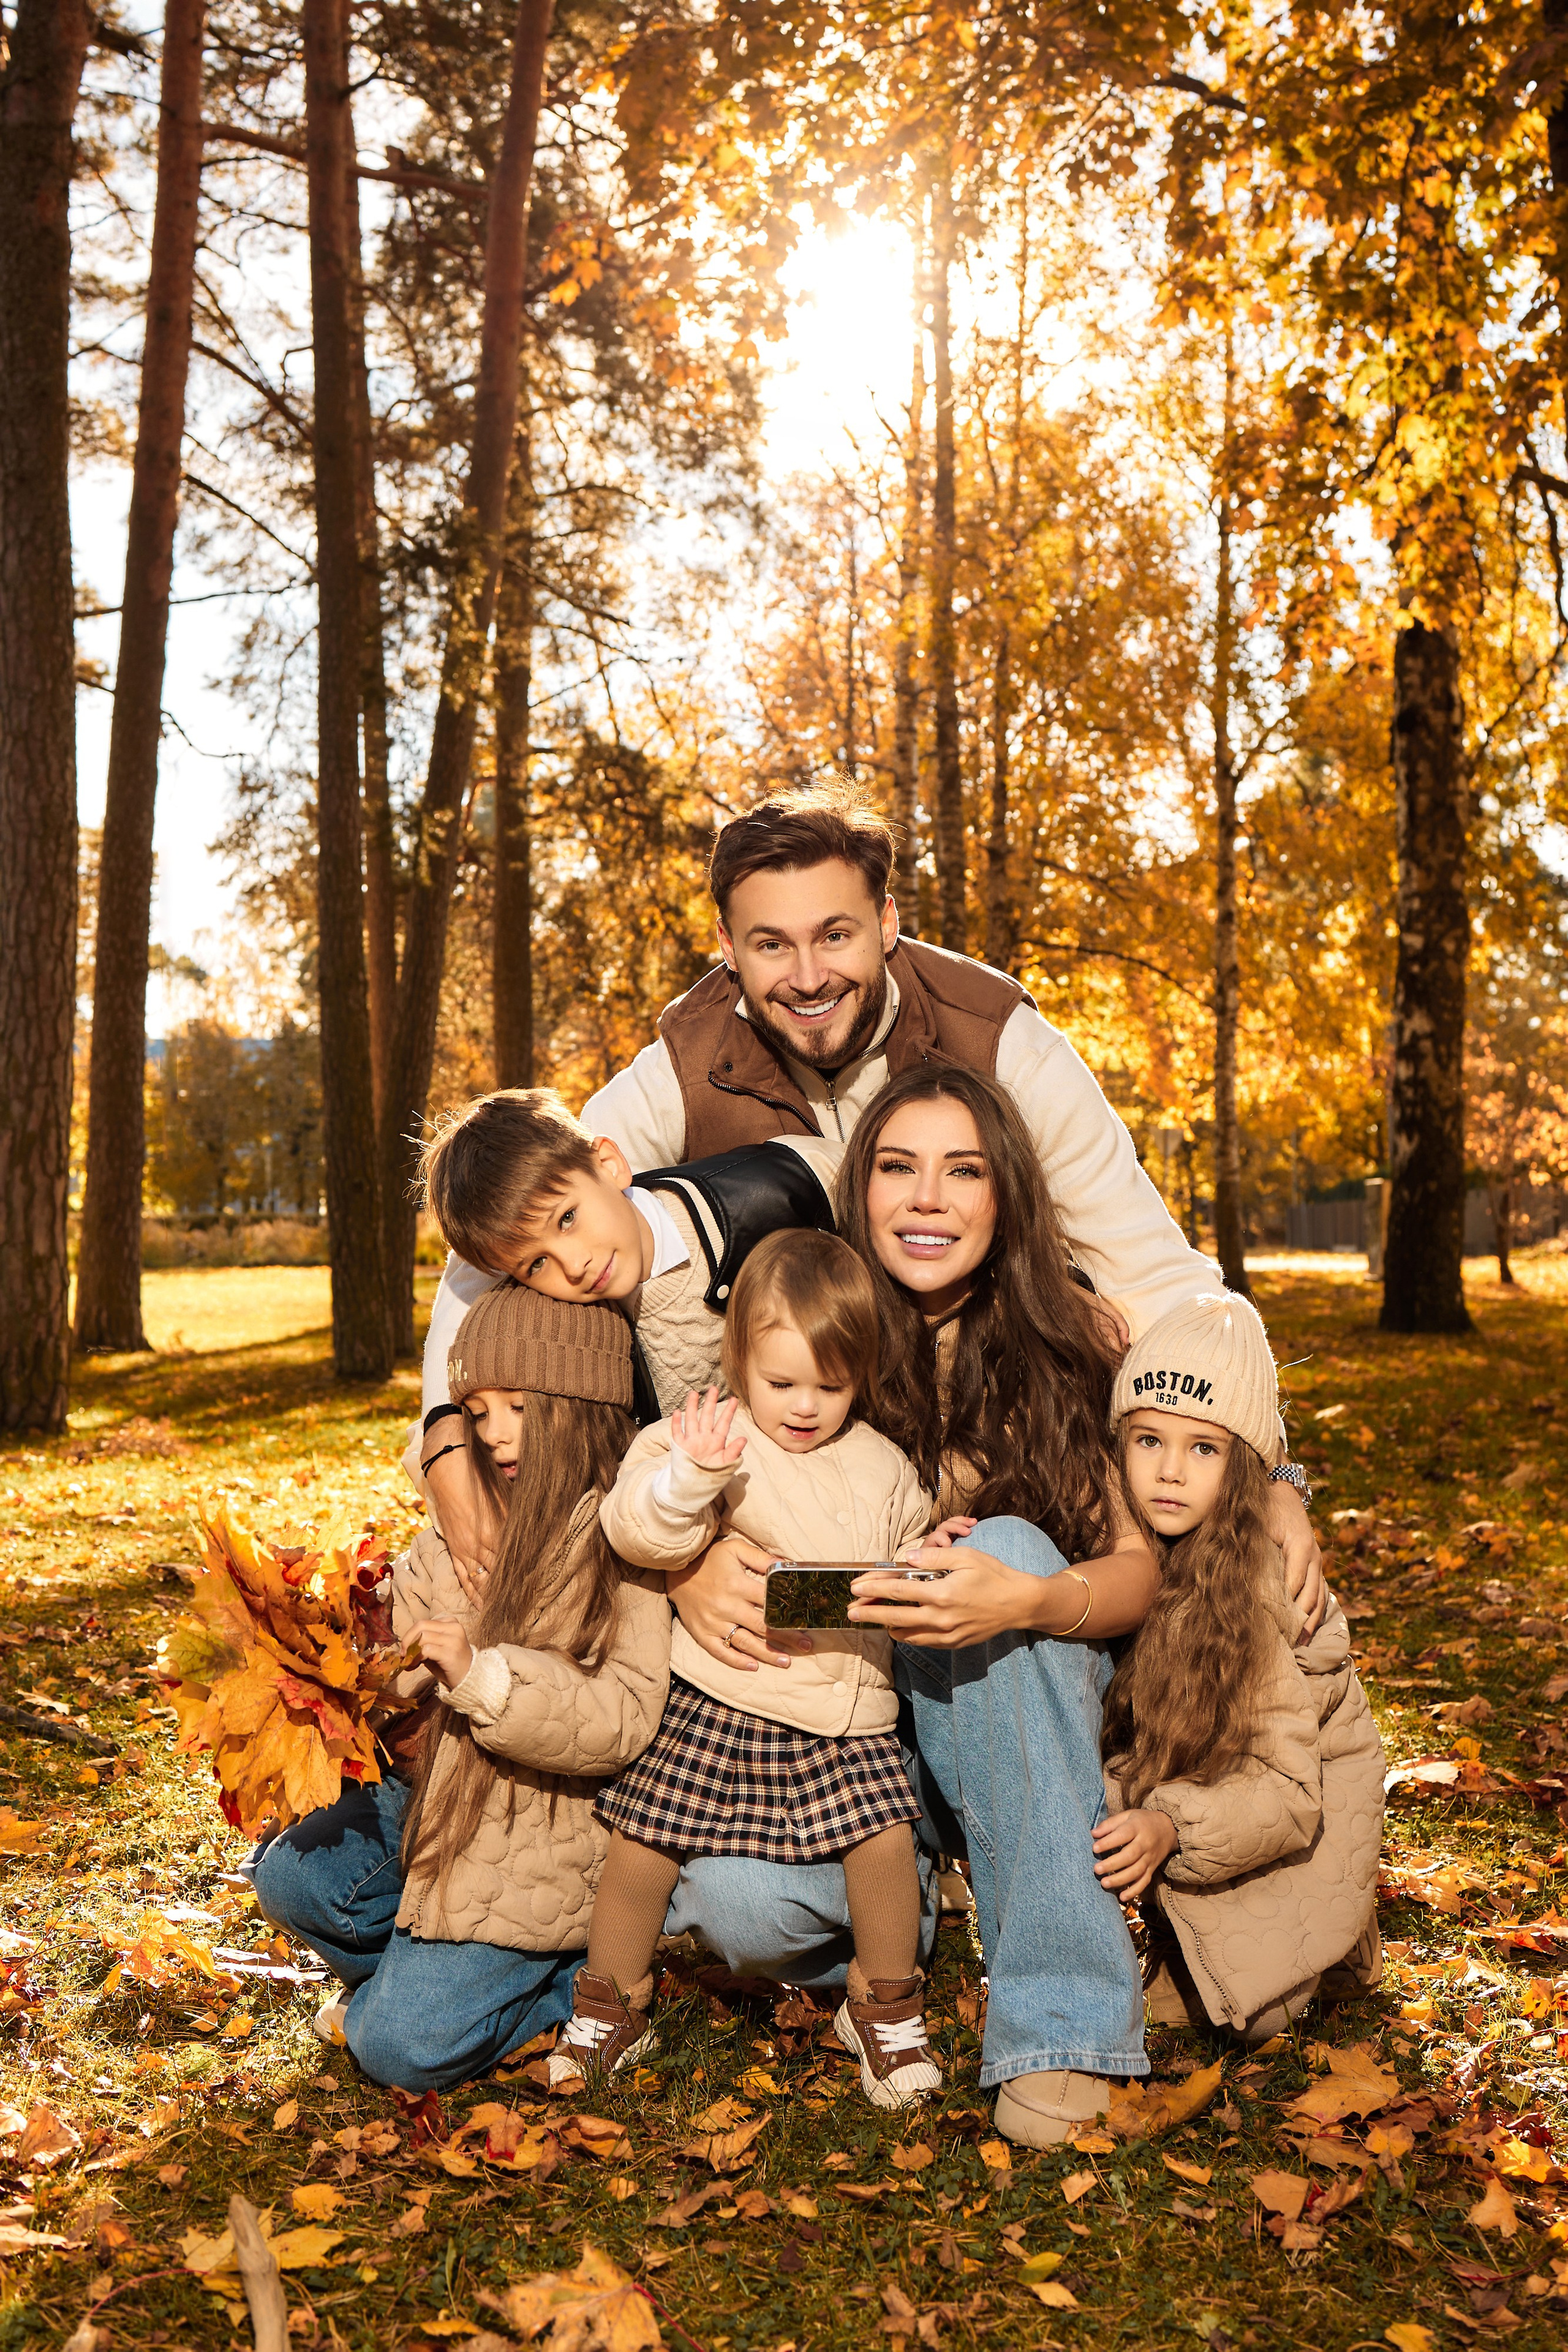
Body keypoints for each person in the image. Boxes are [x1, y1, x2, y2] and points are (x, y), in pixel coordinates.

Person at [662, 1066, 1166, 2146]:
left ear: (1006, 1194)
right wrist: (689, 1567)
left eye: (963, 1170)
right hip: (856, 1756)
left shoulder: (1074, 1339)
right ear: (862, 1188)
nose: (927, 1198)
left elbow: (1138, 1574)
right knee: (741, 1916)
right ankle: (936, 1894)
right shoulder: (806, 1332)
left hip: (1028, 1719)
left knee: (1004, 1541)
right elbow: (660, 1483)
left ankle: (1064, 2018)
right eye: (898, 1167)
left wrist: (1028, 1595)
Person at [249, 1284, 670, 2092]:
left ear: (584, 1402)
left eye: (519, 1406)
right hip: (438, 1802)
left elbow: (622, 1715)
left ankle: (561, 1982)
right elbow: (411, 1638)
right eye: (477, 1411)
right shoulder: (465, 1512)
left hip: (543, 1839)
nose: (496, 1433)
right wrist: (350, 1650)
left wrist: (488, 1678)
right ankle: (435, 1976)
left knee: (395, 2050)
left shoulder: (621, 1537)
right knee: (290, 1876)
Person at [561, 1229, 944, 2109]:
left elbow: (903, 1567)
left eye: (831, 1385)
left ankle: (883, 2007)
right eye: (781, 1383)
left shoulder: (881, 1465)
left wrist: (931, 1551)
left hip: (841, 1712)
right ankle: (611, 2001)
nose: (805, 1406)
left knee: (882, 1841)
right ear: (737, 1361)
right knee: (644, 1843)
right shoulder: (705, 1438)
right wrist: (692, 1480)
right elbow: (635, 1529)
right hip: (717, 1696)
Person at [1092, 1291, 1384, 2043]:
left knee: (1260, 2017)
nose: (1169, 1472)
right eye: (1148, 1440)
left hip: (1291, 1820)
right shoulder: (1134, 1546)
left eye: (1203, 1449)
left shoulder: (1252, 1584)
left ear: (1246, 1465)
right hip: (1209, 1799)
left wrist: (1168, 1825)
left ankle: (1331, 1939)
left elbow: (1291, 1795)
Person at [412, 1087, 839, 1561]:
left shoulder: (774, 1192)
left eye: (568, 1218)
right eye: (536, 1264)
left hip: (835, 1487)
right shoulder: (560, 1325)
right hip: (682, 1530)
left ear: (609, 1164)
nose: (573, 1266)